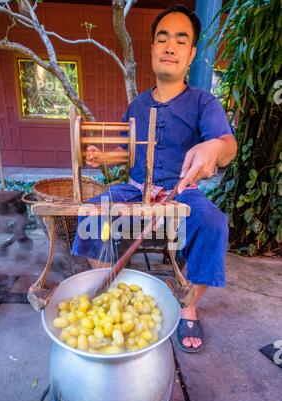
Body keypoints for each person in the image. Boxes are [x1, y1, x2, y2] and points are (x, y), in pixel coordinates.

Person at [72, 4, 237, 353]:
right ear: (152, 50)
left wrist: (213, 148)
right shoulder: (137, 106)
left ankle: (188, 304)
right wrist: (103, 157)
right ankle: (112, 288)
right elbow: (125, 154)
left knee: (213, 223)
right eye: (162, 39)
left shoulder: (204, 103)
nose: (170, 46)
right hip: (134, 190)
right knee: (90, 213)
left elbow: (227, 145)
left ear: (191, 53)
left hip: (181, 192)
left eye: (181, 40)